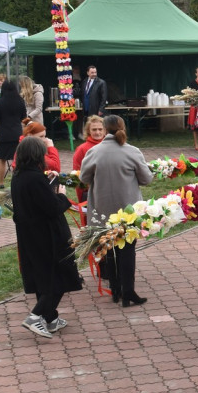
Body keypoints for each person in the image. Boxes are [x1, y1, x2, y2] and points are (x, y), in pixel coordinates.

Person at [11, 136, 84, 339]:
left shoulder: (19, 176)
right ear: (37, 155)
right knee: (59, 275)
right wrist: (61, 195)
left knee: (42, 276)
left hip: (30, 234)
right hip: (48, 236)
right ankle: (35, 316)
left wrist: (49, 183)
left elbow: (36, 201)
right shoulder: (35, 179)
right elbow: (52, 208)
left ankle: (50, 318)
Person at [79, 115, 153, 306]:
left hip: (102, 209)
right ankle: (128, 292)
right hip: (128, 210)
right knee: (127, 250)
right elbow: (146, 179)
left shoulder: (94, 152)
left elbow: (84, 178)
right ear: (123, 128)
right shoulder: (132, 151)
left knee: (109, 248)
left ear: (104, 129)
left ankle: (115, 290)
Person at [0, 80, 27, 187]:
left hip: (3, 134)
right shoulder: (20, 101)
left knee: (1, 159)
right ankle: (17, 182)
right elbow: (23, 117)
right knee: (17, 159)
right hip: (17, 133)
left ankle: (1, 182)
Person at [71, 116, 106, 207]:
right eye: (94, 129)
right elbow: (77, 174)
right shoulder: (82, 149)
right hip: (90, 192)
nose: (97, 132)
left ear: (105, 130)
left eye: (100, 129)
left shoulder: (111, 147)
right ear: (88, 131)